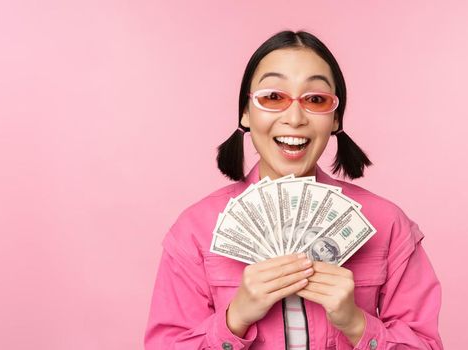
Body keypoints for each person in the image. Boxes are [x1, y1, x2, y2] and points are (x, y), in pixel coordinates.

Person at [144, 30, 442, 350]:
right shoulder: (195, 231)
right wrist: (235, 320)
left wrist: (356, 323)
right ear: (245, 112)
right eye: (273, 97)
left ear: (335, 117)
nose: (295, 118)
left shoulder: (388, 225)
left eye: (316, 99)